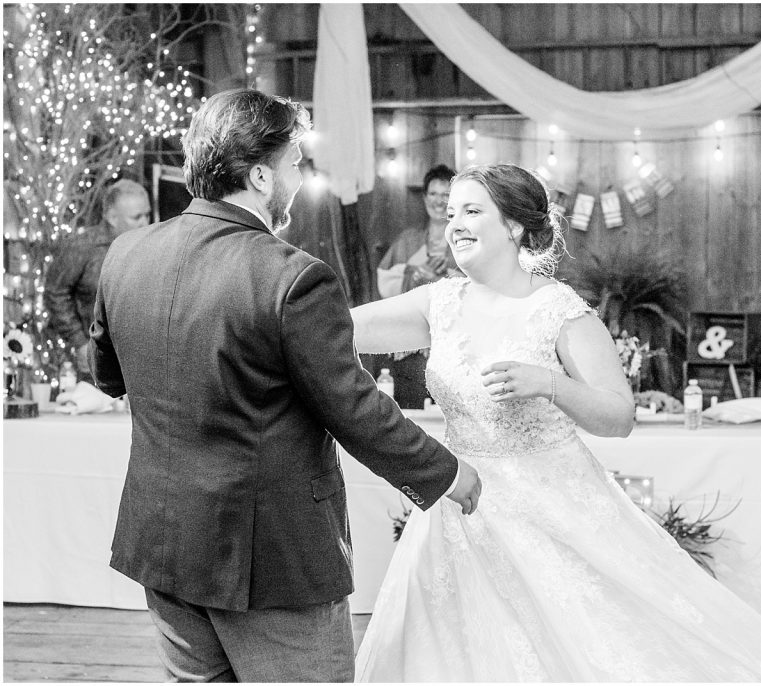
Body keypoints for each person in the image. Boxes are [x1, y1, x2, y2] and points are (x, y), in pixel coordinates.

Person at [350, 163, 761, 682]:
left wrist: (550, 384)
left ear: (515, 227)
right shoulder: (438, 302)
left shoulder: (557, 310)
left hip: (550, 506)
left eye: (472, 211)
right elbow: (335, 328)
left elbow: (619, 416)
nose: (455, 224)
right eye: (452, 213)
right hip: (458, 505)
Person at [89, 89, 482, 682]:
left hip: (164, 542)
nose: (300, 176)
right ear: (259, 175)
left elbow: (108, 375)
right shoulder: (292, 277)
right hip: (270, 557)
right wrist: (447, 473)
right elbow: (355, 411)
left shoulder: (126, 255)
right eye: (294, 162)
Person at [375, 164, 461, 409]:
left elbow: (481, 287)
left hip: (452, 349)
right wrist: (413, 275)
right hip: (410, 349)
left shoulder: (466, 241)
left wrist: (446, 276)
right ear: (424, 198)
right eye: (433, 194)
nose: (439, 201)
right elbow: (385, 282)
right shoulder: (408, 240)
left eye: (446, 195)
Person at [44, 178, 151, 373]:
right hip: (92, 360)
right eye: (137, 217)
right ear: (112, 217)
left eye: (147, 215)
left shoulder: (151, 246)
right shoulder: (83, 246)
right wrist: (79, 341)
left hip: (137, 360)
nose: (146, 222)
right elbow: (55, 291)